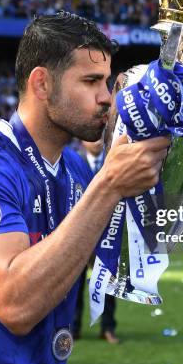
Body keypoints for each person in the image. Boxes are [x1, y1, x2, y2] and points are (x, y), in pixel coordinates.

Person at [0, 11, 170, 364]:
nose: (106, 98)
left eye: (106, 83)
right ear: (42, 84)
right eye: (91, 81)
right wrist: (108, 184)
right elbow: (15, 304)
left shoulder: (74, 168)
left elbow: (128, 260)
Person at [72, 138, 119, 344]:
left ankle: (107, 328)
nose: (97, 141)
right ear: (82, 141)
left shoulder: (113, 161)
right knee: (75, 284)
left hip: (107, 236)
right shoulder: (73, 161)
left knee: (109, 286)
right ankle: (74, 328)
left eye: (101, 137)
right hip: (79, 237)